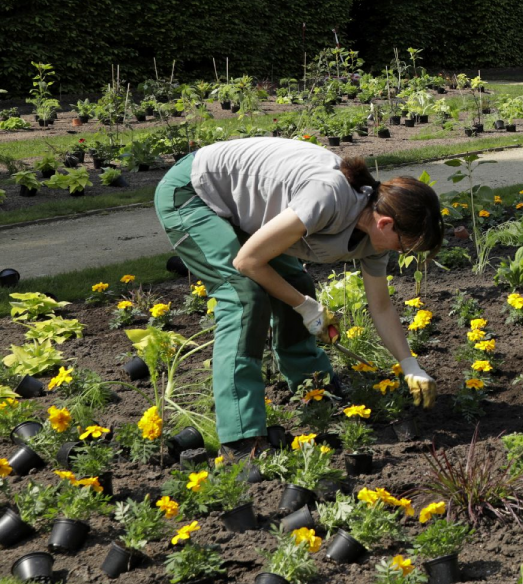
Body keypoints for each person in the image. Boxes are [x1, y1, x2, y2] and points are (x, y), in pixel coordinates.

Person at [152, 137, 442, 456]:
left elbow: (382, 306)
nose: (402, 253)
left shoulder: (374, 235)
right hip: (196, 191)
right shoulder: (328, 196)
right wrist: (306, 308)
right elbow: (247, 262)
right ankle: (240, 439)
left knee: (296, 282)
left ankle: (316, 391)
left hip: (241, 204)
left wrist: (410, 364)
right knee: (243, 298)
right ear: (386, 223)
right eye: (404, 246)